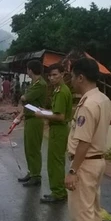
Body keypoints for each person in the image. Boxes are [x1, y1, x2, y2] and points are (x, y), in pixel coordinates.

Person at [60, 57, 111, 221]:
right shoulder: (102, 99)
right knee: (92, 210)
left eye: (72, 77)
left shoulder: (88, 104)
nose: (71, 81)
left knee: (81, 211)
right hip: (96, 161)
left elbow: (83, 141)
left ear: (81, 77)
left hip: (85, 163)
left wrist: (73, 170)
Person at [35, 63, 73, 203]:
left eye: (55, 75)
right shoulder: (58, 90)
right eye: (50, 75)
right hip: (57, 129)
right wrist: (44, 111)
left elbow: (60, 116)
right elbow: (57, 112)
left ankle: (58, 192)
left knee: (55, 162)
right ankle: (57, 190)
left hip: (59, 129)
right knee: (54, 161)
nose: (51, 78)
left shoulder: (62, 92)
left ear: (62, 74)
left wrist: (42, 115)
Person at [14, 60, 48, 186]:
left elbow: (25, 98)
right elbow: (28, 103)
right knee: (28, 148)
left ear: (30, 70)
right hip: (29, 117)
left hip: (35, 118)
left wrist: (23, 98)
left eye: (27, 69)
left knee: (34, 148)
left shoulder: (40, 84)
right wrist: (20, 116)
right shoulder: (35, 83)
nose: (27, 71)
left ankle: (36, 175)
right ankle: (31, 171)